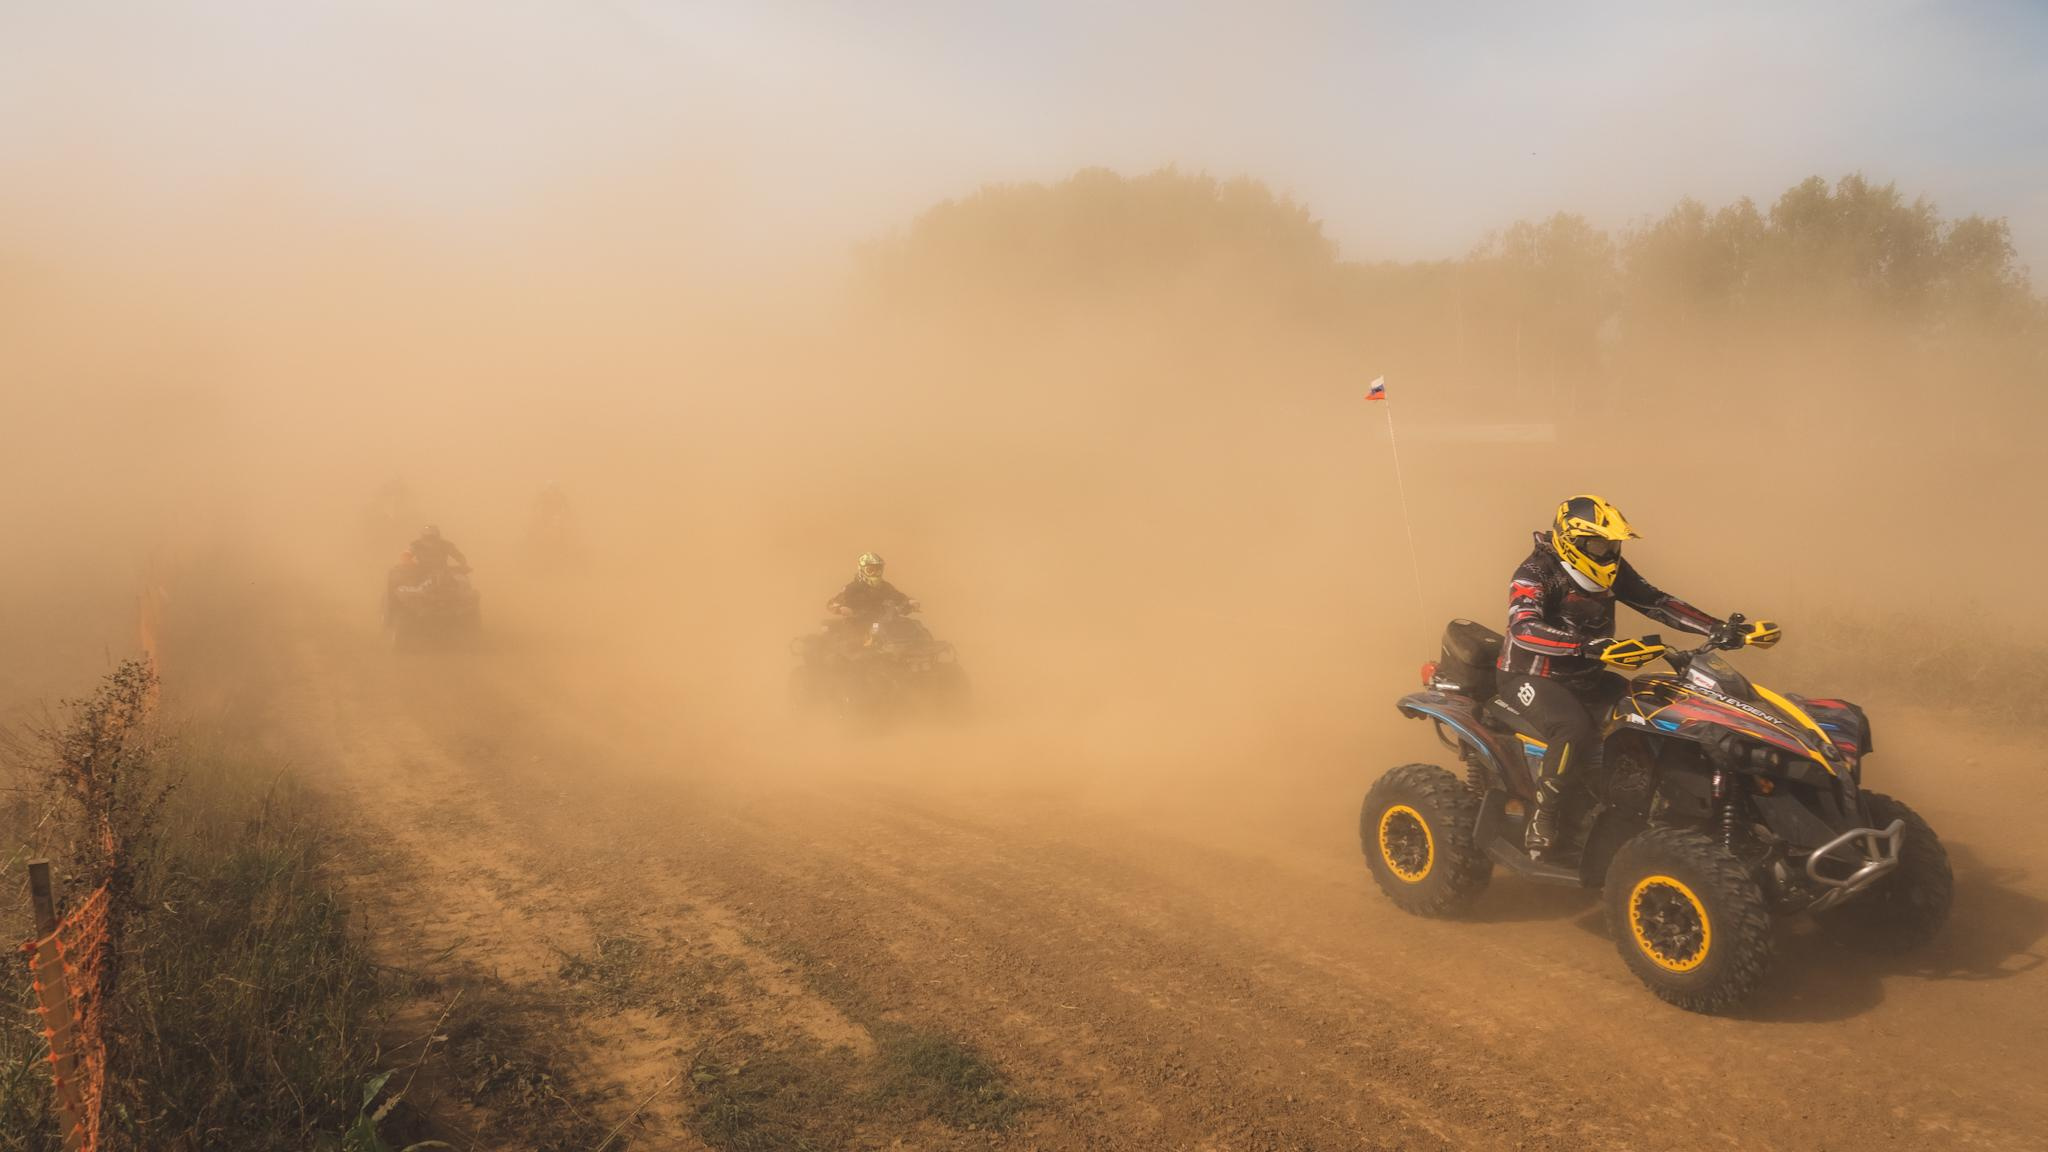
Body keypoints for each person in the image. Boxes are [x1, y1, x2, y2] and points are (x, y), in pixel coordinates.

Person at [1490, 496, 1723, 859]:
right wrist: (1590, 647)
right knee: (1573, 729)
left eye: (1613, 544)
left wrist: (1716, 627)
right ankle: (1543, 817)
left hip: (1586, 675)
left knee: (1651, 712)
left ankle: (1635, 805)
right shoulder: (1535, 573)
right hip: (1530, 676)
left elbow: (1656, 602)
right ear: (1572, 541)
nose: (1608, 552)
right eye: (1599, 544)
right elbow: (1524, 629)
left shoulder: (1611, 567)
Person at [823, 552, 917, 652]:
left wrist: (910, 602)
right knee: (861, 648)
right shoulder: (852, 588)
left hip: (882, 623)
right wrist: (840, 609)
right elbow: (831, 604)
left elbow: (899, 597)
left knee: (914, 625)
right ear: (862, 570)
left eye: (878, 570)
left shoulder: (885, 586)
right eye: (871, 570)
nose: (875, 573)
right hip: (858, 625)